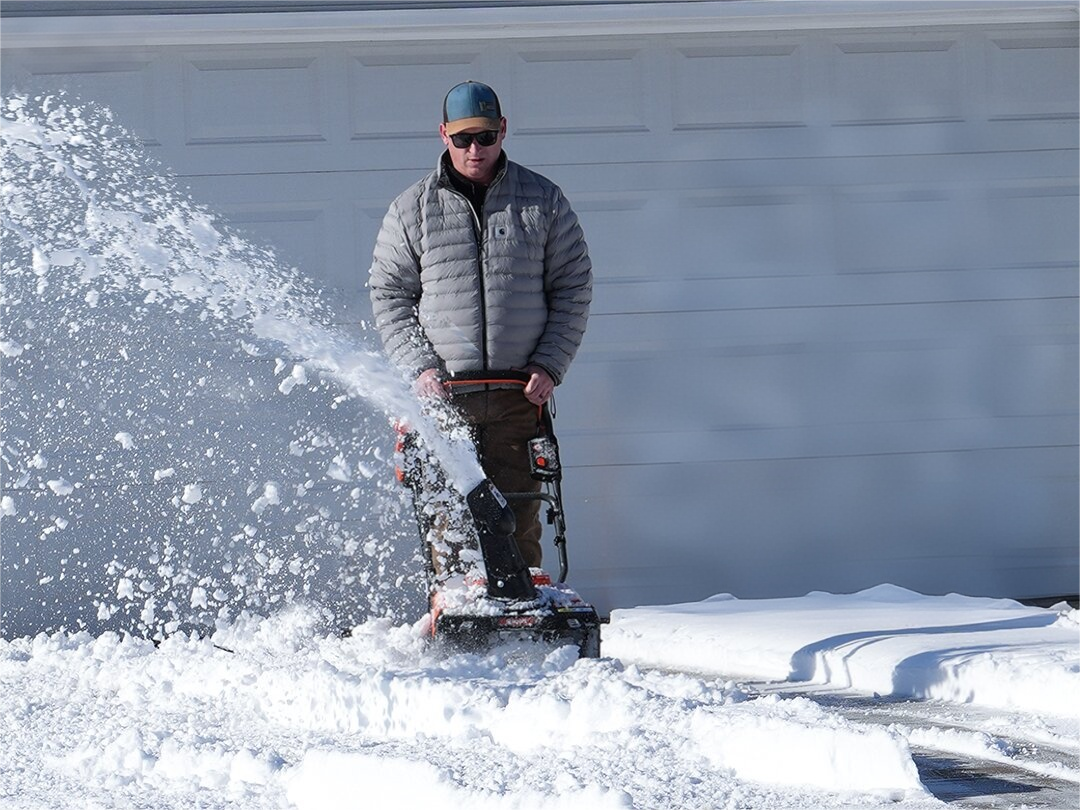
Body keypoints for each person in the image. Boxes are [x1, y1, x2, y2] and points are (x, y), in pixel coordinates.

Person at [369, 80, 592, 570]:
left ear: (503, 131)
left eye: (487, 137)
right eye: (464, 137)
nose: (476, 149)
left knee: (521, 513)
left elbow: (573, 286)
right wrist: (420, 368)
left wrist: (550, 364)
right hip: (446, 399)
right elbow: (389, 294)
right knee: (452, 517)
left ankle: (527, 613)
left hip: (519, 396)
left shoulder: (543, 201)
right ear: (443, 134)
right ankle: (459, 613)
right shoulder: (413, 210)